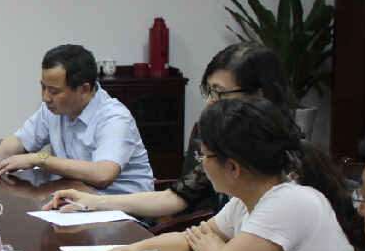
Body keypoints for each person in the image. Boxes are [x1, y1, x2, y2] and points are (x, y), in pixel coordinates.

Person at [104, 97, 365, 251]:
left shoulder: (289, 203)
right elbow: (190, 238)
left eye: (203, 157)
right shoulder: (247, 200)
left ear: (233, 168)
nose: (201, 164)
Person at [47, 42, 293, 217]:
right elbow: (173, 198)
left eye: (219, 93)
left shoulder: (284, 162)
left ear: (258, 96)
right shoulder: (225, 145)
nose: (210, 102)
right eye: (208, 91)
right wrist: (93, 202)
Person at [0, 44, 153, 194]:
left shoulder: (114, 118)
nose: (45, 97)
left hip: (123, 211)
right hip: (80, 202)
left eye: (54, 91)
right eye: (43, 87)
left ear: (84, 90)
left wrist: (40, 159)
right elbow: (22, 140)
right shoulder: (54, 109)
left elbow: (103, 175)